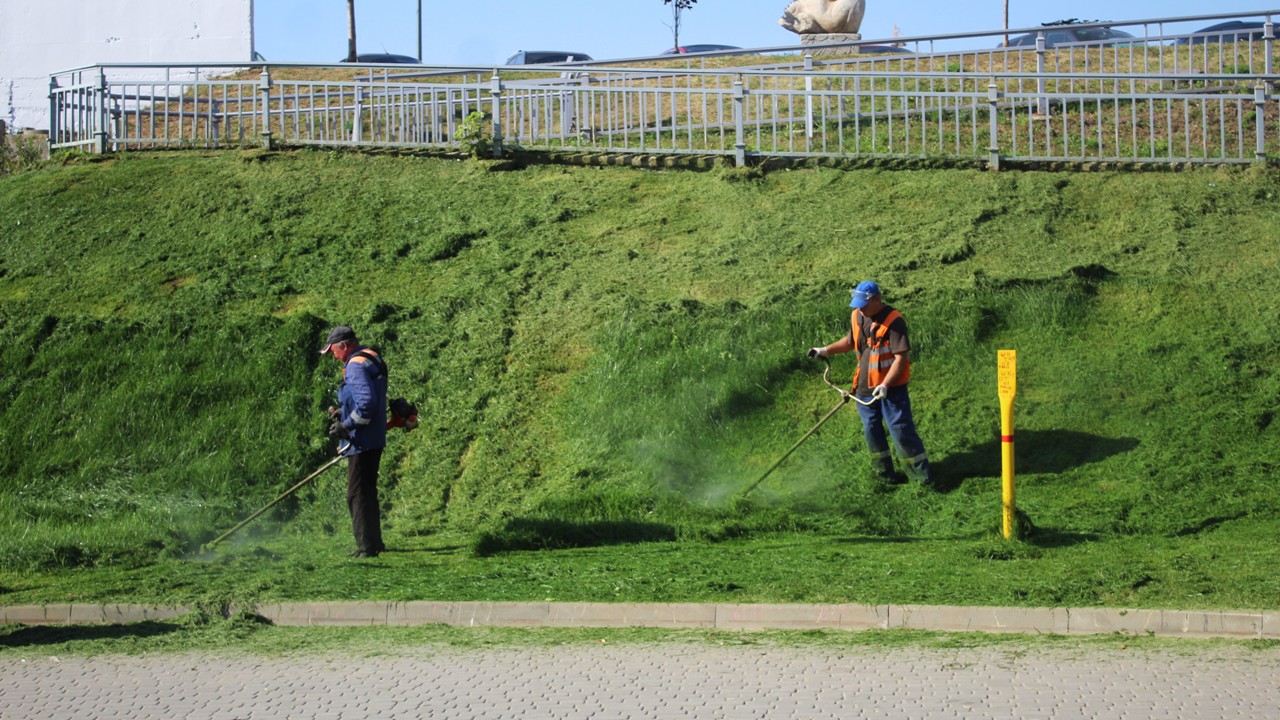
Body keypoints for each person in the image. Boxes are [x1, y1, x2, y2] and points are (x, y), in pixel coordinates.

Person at [808, 281, 933, 488]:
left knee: (901, 430)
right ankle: (884, 476)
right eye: (857, 305)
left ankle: (921, 479)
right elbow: (850, 342)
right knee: (871, 430)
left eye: (864, 305)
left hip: (890, 390)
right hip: (864, 388)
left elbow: (901, 358)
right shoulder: (857, 316)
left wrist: (885, 384)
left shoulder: (894, 321)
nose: (860, 309)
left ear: (877, 299)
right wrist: (824, 350)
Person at [321, 325, 388, 557]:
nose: (333, 355)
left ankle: (365, 548)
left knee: (356, 493)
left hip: (361, 439)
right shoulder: (369, 356)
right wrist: (344, 411)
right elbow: (367, 398)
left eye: (332, 351)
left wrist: (346, 426)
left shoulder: (354, 366)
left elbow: (367, 403)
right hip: (376, 436)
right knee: (368, 490)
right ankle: (375, 542)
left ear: (344, 345)